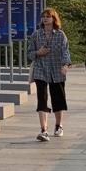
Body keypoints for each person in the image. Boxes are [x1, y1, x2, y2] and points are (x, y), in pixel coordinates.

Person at [27, 8, 71, 142]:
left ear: (54, 19)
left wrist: (65, 65)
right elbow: (29, 53)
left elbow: (65, 51)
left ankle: (58, 125)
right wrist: (38, 53)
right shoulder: (36, 34)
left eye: (48, 16)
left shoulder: (60, 35)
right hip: (40, 69)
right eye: (43, 16)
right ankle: (43, 130)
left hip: (57, 70)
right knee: (42, 98)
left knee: (57, 98)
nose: (45, 19)